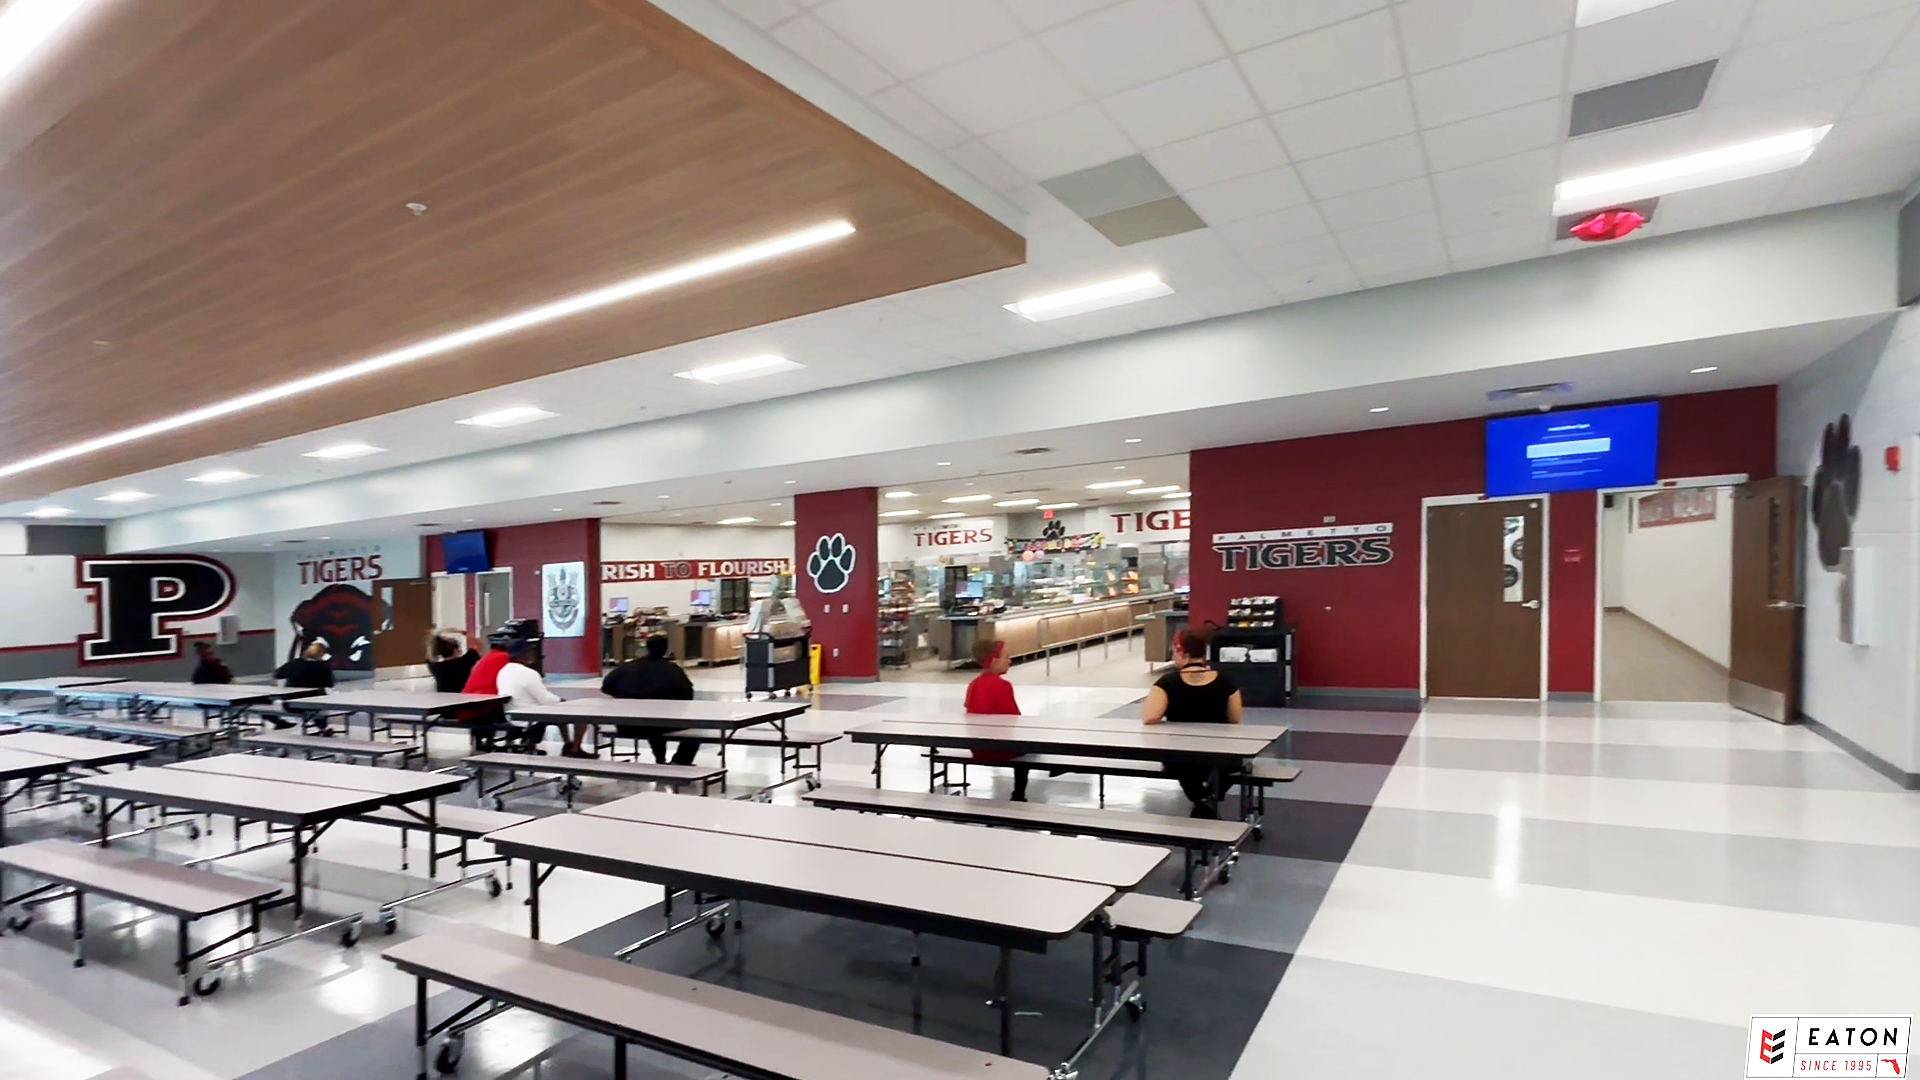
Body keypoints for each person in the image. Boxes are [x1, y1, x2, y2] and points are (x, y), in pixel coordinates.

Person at [1142, 626, 1242, 818]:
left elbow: (1149, 717)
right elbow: (1235, 720)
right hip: (1221, 755)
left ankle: (1201, 799)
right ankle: (1208, 796)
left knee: (1179, 763)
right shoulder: (1226, 682)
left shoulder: (1167, 683)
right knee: (1232, 766)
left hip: (1181, 758)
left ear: (1181, 652)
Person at [600, 634, 698, 765]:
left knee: (653, 722)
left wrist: (622, 697)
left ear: (646, 648)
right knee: (696, 731)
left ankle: (660, 758)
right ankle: (680, 762)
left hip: (627, 724)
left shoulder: (627, 667)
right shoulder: (672, 669)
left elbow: (606, 687)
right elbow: (687, 695)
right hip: (664, 723)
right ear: (666, 649)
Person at [965, 638, 1029, 801]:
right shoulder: (1002, 686)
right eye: (1006, 656)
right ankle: (1019, 792)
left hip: (978, 747)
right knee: (1030, 747)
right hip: (1001, 749)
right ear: (993, 660)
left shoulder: (974, 684)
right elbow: (1014, 719)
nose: (1010, 660)